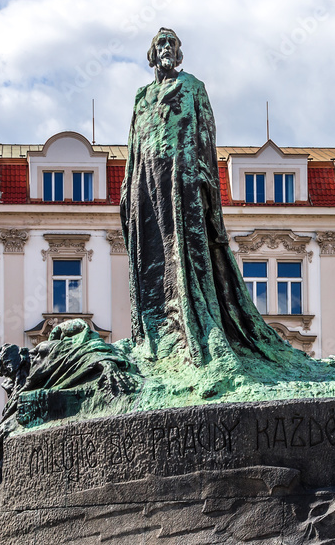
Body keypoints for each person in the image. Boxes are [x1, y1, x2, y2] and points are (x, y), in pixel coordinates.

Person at [121, 28, 305, 370]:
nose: (165, 49)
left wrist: (205, 177)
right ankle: (157, 329)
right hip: (145, 181)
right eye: (160, 44)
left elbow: (206, 134)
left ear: (178, 54)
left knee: (186, 251)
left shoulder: (192, 87)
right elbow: (133, 143)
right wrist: (127, 185)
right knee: (151, 255)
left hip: (182, 178)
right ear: (151, 55)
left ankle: (192, 323)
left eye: (171, 45)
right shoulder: (140, 97)